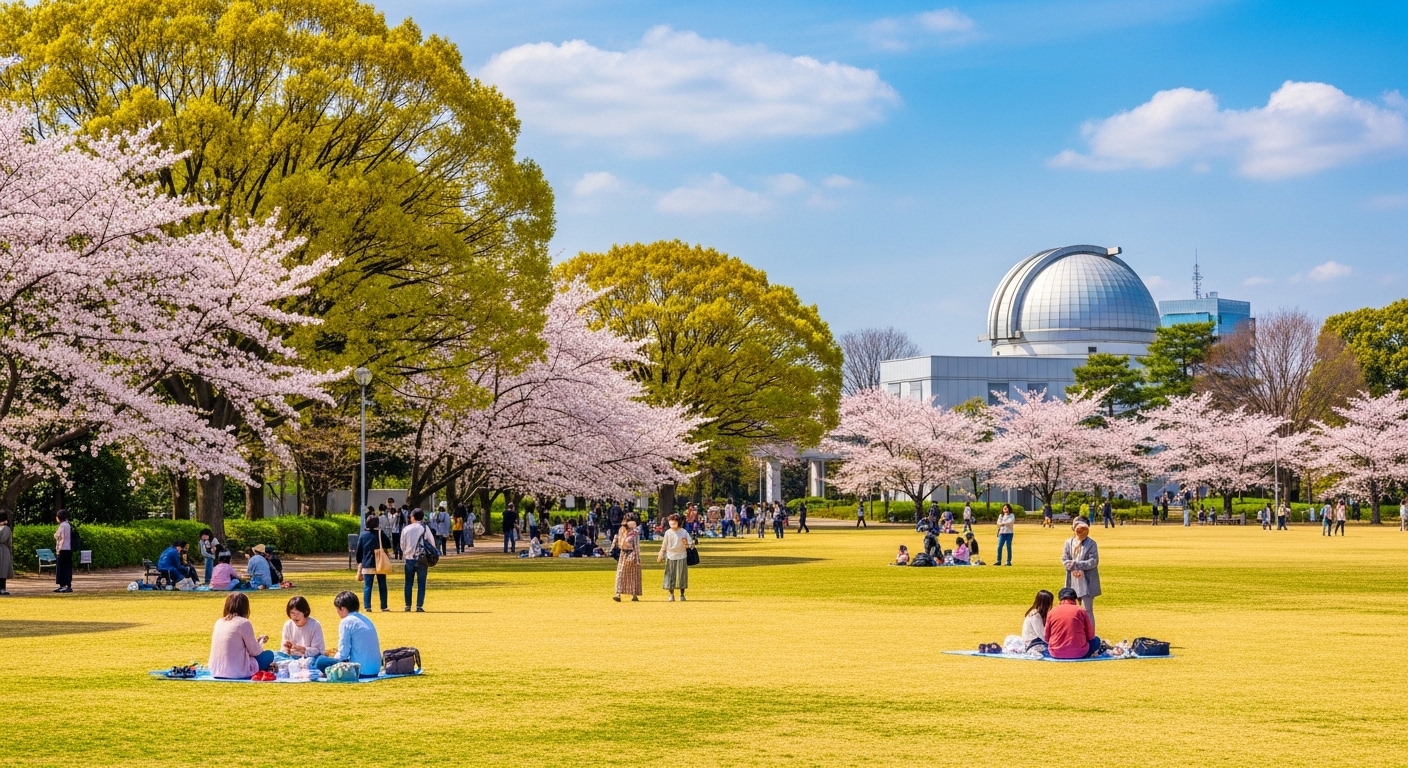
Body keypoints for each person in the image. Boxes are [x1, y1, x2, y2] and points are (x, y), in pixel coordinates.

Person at [313, 591, 382, 677]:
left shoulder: (346, 621)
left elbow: (343, 653)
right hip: (375, 669)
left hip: (359, 671)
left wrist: (333, 658)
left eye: (337, 609)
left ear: (343, 608)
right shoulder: (366, 619)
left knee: (320, 661)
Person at [208, 592, 274, 679]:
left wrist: (256, 642)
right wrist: (260, 643)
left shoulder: (219, 622)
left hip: (215, 670)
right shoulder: (244, 623)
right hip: (236, 671)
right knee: (269, 655)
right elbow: (255, 652)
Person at [1061, 519, 1102, 631]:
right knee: (1071, 610)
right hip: (1072, 580)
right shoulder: (1068, 543)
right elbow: (1064, 559)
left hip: (1086, 581)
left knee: (1087, 610)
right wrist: (1072, 567)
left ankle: (1090, 635)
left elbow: (1093, 561)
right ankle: (1073, 633)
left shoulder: (1091, 543)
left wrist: (1077, 565)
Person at [1045, 587, 1102, 659]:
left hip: (1055, 652)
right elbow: (1090, 635)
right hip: (1080, 653)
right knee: (1096, 640)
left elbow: (1047, 637)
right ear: (1075, 599)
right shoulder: (1080, 610)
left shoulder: (1052, 612)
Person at [401, 508, 435, 612]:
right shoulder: (424, 528)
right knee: (421, 583)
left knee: (408, 583)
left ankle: (408, 605)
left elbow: (402, 544)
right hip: (421, 559)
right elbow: (432, 542)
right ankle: (419, 605)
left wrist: (406, 552)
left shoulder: (406, 529)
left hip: (409, 559)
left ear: (413, 517)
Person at [357, 516, 393, 612]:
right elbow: (388, 546)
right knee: (382, 585)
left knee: (368, 586)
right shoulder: (381, 534)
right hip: (380, 563)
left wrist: (360, 562)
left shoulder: (363, 535)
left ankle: (367, 606)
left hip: (367, 562)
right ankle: (384, 606)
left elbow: (359, 551)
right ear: (377, 524)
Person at [657, 513, 694, 601]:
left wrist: (687, 545)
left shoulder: (683, 532)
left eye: (674, 523)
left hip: (682, 556)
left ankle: (682, 594)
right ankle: (671, 594)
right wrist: (661, 553)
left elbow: (690, 544)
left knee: (682, 576)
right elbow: (664, 545)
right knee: (670, 576)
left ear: (678, 522)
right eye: (671, 523)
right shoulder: (668, 532)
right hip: (670, 556)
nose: (672, 525)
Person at [613, 518, 642, 602]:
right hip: (624, 553)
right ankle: (619, 594)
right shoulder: (623, 530)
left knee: (631, 574)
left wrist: (636, 558)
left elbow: (636, 545)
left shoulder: (634, 532)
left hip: (631, 553)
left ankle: (634, 595)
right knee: (623, 573)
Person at [1022, 589, 1053, 654]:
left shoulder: (1041, 614)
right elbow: (1042, 634)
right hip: (1032, 643)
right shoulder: (1035, 614)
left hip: (1037, 641)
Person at [53, 508, 73, 593]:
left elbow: (58, 536)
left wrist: (58, 549)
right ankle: (68, 584)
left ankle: (62, 585)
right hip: (68, 549)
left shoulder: (62, 526)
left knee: (61, 568)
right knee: (67, 567)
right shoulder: (68, 524)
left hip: (62, 549)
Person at [0, 511, 12, 595]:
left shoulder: (4, 528)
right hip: (3, 550)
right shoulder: (4, 528)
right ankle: (2, 588)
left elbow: (3, 539)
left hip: (2, 549)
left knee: (2, 570)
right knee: (2, 570)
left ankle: (2, 588)